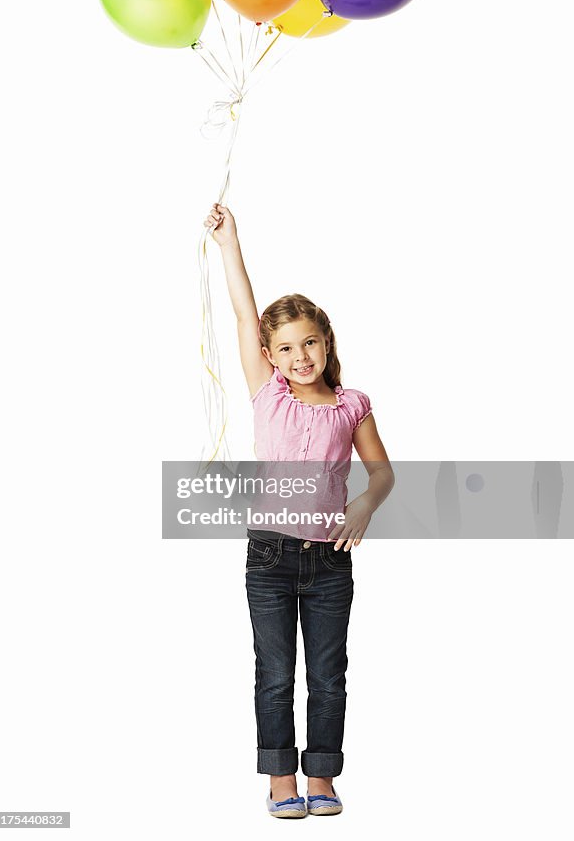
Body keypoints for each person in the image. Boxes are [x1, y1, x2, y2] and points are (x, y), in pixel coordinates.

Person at [203, 200, 395, 818]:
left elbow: (383, 472)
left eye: (309, 342)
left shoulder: (352, 404)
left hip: (330, 561)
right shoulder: (268, 392)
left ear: (326, 341)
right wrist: (230, 241)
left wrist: (365, 504)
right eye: (285, 348)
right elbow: (241, 308)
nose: (300, 356)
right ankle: (280, 780)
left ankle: (322, 778)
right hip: (270, 553)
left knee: (329, 676)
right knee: (276, 673)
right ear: (271, 354)